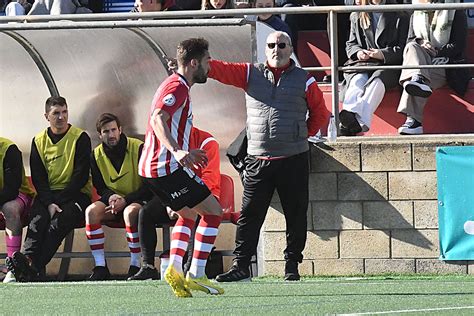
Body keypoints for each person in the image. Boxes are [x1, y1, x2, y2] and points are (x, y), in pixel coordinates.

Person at [206, 31, 329, 282]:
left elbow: (321, 114)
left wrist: (302, 134)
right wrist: (196, 63)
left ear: (290, 48)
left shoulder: (305, 80)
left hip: (293, 159)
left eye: (282, 45)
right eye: (271, 45)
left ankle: (292, 264)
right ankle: (241, 267)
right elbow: (220, 69)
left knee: (296, 214)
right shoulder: (250, 73)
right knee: (250, 216)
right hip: (258, 159)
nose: (276, 49)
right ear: (265, 50)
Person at [138, 38, 224, 297]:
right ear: (194, 63)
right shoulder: (179, 87)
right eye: (207, 61)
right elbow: (158, 118)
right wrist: (178, 151)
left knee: (187, 214)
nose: (210, 67)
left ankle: (175, 268)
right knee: (213, 212)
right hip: (167, 167)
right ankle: (196, 274)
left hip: (150, 170)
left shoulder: (175, 82)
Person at [8, 96, 92, 282]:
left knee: (57, 224)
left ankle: (32, 267)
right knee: (37, 221)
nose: (61, 117)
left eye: (64, 112)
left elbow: (81, 175)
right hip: (48, 196)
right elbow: (38, 178)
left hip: (76, 195)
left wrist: (58, 202)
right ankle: (27, 260)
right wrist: (49, 202)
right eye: (56, 113)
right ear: (47, 116)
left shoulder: (80, 137)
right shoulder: (38, 141)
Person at [129, 126, 220, 281]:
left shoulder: (206, 141)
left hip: (201, 192)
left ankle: (188, 268)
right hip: (175, 191)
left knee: (199, 213)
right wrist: (170, 202)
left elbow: (209, 179)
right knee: (146, 212)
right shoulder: (167, 141)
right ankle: (148, 266)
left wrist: (180, 200)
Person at [85, 113, 150, 281]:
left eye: (114, 130)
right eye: (106, 131)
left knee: (130, 212)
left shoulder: (138, 148)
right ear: (100, 135)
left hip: (137, 199)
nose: (111, 134)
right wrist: (112, 196)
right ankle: (100, 266)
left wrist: (126, 200)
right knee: (91, 212)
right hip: (113, 201)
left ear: (120, 130)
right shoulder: (96, 155)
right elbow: (99, 186)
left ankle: (135, 264)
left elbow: (149, 185)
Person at [397, 0, 469, 135]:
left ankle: (413, 121)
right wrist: (421, 42)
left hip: (446, 64)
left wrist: (436, 52)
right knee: (412, 46)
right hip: (421, 62)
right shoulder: (416, 12)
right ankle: (417, 77)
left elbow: (458, 45)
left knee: (417, 78)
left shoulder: (455, 11)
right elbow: (409, 41)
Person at [338, 0, 409, 136]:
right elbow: (351, 44)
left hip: (388, 64)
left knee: (377, 81)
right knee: (357, 80)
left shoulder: (400, 15)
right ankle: (351, 115)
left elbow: (404, 47)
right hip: (363, 63)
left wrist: (382, 54)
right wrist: (358, 52)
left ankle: (354, 121)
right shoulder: (357, 15)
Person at [1, 138, 35, 283]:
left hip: (18, 196)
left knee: (10, 209)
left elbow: (11, 189)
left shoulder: (9, 149)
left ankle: (12, 268)